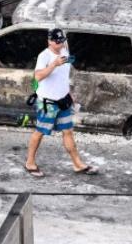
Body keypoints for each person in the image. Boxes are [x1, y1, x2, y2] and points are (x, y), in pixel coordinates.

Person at [25, 28, 98, 177]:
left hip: (63, 100)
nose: (60, 44)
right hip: (47, 102)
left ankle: (77, 164)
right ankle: (30, 162)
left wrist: (69, 93)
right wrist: (53, 65)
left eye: (62, 41)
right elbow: (37, 77)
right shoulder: (44, 56)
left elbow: (64, 75)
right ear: (49, 41)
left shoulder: (65, 52)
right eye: (57, 42)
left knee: (68, 131)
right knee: (40, 132)